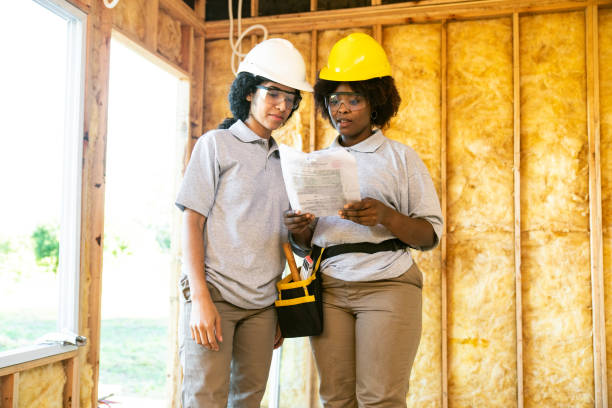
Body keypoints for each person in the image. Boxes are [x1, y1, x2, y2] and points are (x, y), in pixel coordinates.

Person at [284, 32, 443, 407]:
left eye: (353, 99)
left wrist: (385, 216)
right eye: (334, 100)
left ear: (376, 103)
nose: (342, 109)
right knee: (337, 398)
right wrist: (301, 232)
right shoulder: (314, 162)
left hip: (388, 285)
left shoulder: (401, 158)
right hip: (331, 288)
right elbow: (306, 245)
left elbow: (428, 235)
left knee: (380, 399)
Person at [175, 38, 313, 408]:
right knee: (205, 399)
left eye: (291, 99)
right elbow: (191, 222)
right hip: (215, 295)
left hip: (263, 307)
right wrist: (200, 298)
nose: (282, 106)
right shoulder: (215, 145)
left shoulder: (289, 162)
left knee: (249, 400)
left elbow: (293, 243)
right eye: (274, 94)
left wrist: (301, 232)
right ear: (250, 91)